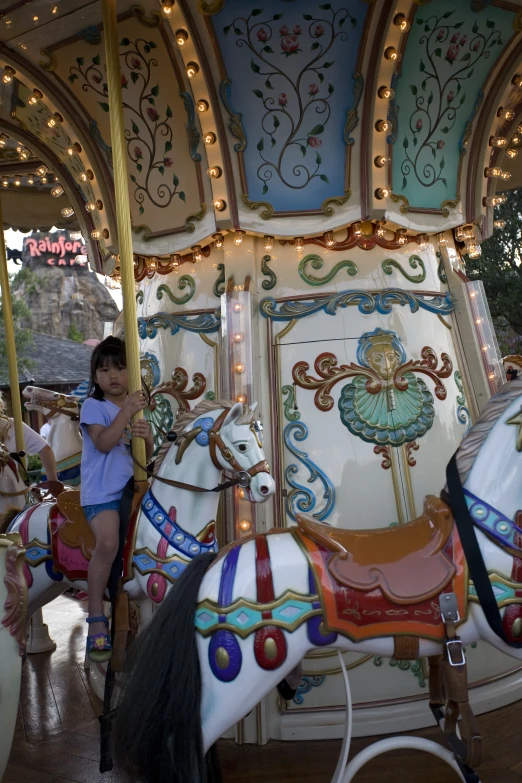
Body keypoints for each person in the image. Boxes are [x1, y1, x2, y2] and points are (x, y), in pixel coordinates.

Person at [80, 336, 153, 662]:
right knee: (108, 544)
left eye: (121, 369)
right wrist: (126, 412)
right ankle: (96, 617)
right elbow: (105, 443)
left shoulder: (134, 411)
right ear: (95, 376)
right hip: (103, 495)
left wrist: (147, 440)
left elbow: (143, 461)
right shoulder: (93, 406)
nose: (113, 376)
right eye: (105, 369)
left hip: (132, 491)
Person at [0, 391, 58, 482]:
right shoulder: (13, 424)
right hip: (17, 487)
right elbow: (45, 449)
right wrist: (53, 481)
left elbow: (45, 448)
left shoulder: (14, 425)